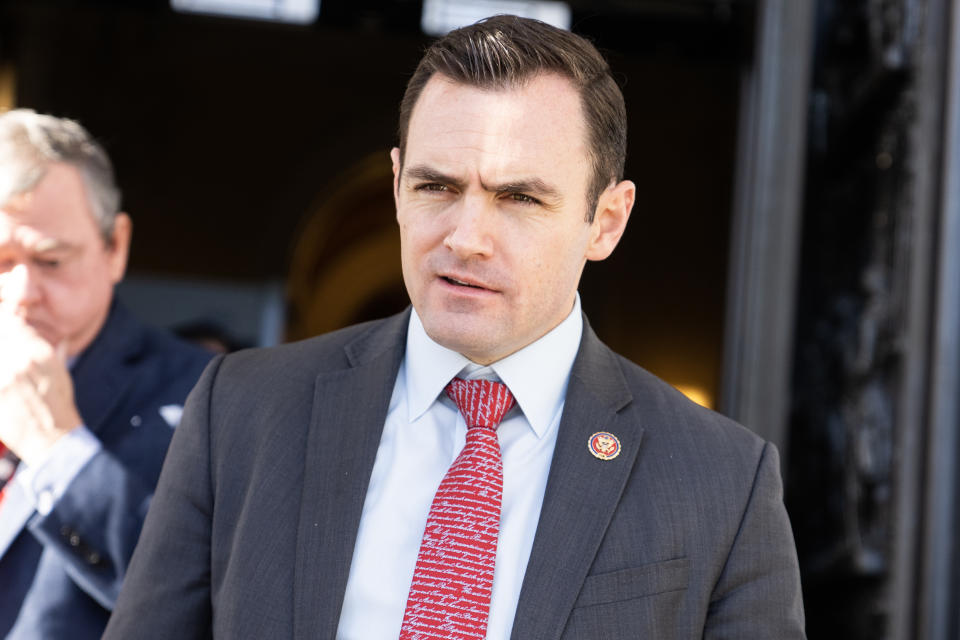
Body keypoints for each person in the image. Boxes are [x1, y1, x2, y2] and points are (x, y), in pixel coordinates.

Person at [104, 15, 806, 639]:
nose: (466, 237)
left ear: (606, 221)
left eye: (519, 197)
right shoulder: (242, 411)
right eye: (437, 187)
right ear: (398, 183)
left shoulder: (721, 481)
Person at [0, 109, 212, 639]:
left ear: (114, 248)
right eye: (0, 261)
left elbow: (207, 608)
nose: (22, 293)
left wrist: (56, 447)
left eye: (51, 261)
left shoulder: (207, 399)